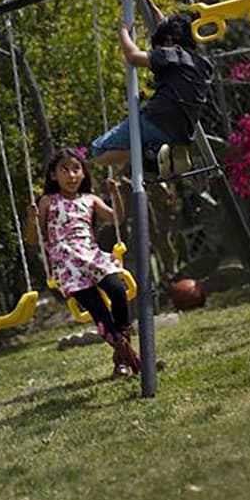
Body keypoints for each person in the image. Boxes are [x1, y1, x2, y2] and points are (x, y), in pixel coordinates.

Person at [25, 146, 158, 378]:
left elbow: (116, 218)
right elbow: (32, 238)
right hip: (67, 264)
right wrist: (31, 218)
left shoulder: (90, 199)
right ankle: (135, 362)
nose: (71, 175)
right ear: (54, 175)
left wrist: (115, 195)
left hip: (93, 256)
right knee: (100, 312)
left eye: (76, 169)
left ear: (84, 173)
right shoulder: (48, 201)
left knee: (117, 290)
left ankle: (123, 360)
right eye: (64, 170)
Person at [89, 0, 213, 178]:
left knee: (98, 152)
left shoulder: (171, 54)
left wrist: (123, 32)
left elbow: (133, 56)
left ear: (168, 43)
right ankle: (165, 151)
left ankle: (149, 153)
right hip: (182, 133)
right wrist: (150, 5)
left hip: (156, 120)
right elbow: (166, 26)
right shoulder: (202, 65)